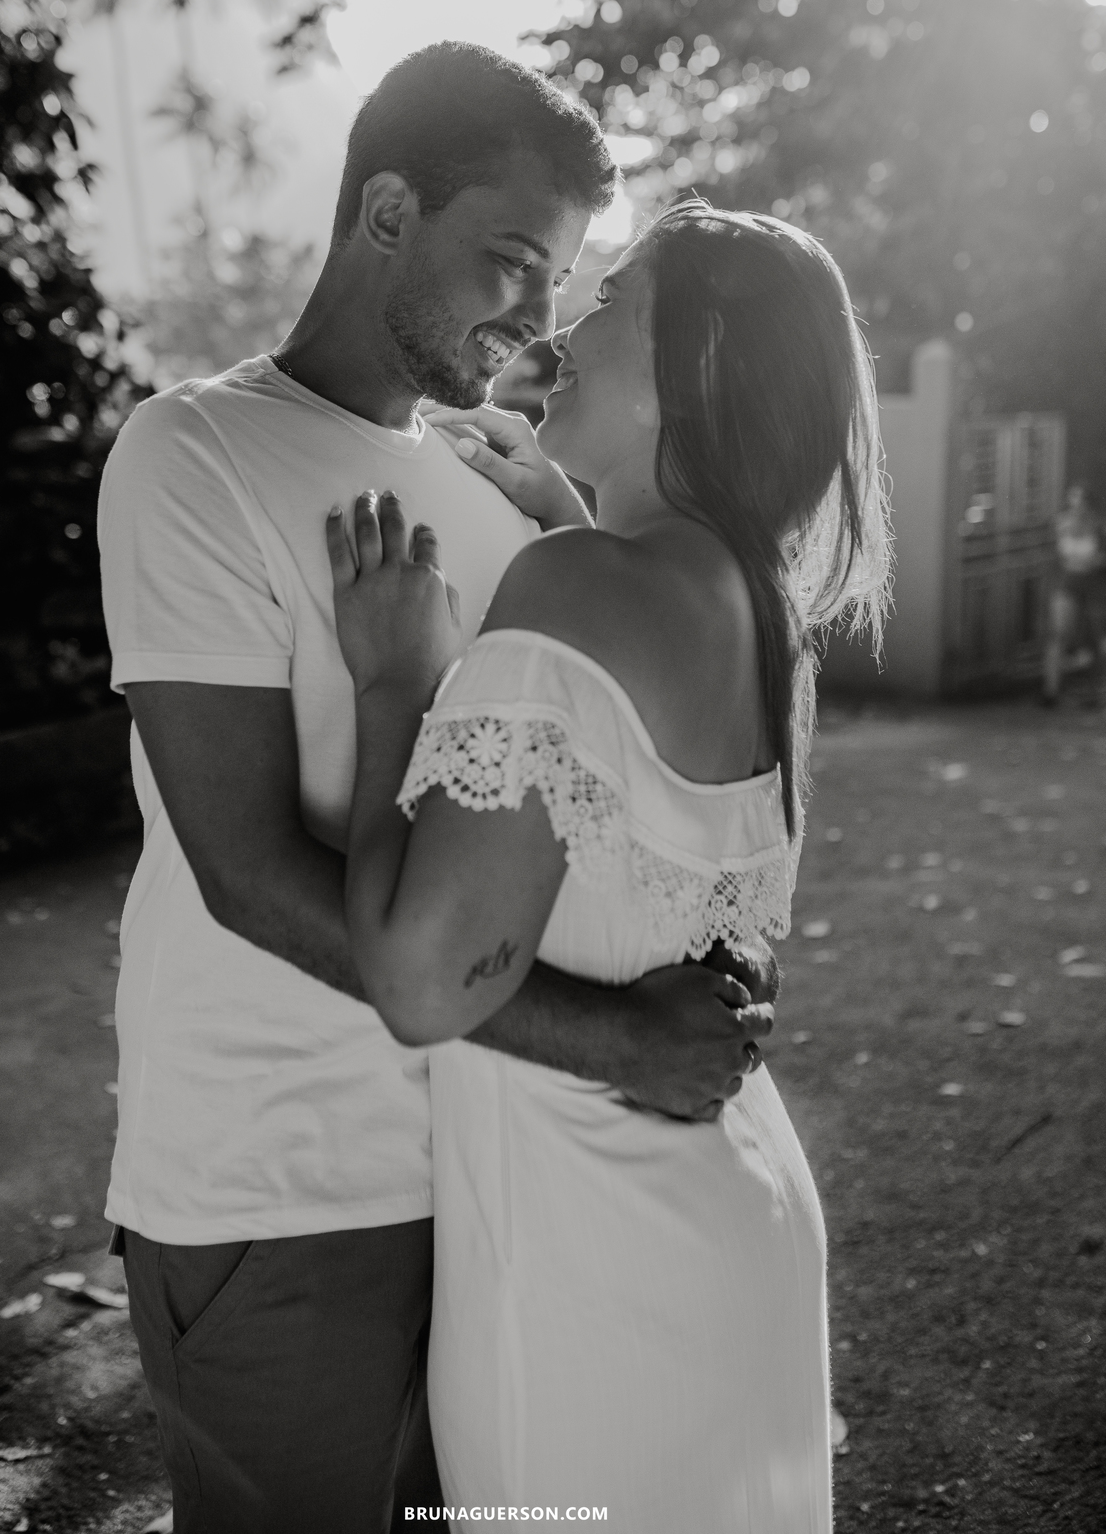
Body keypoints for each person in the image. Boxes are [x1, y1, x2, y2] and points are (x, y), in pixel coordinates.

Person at [97, 46, 778, 1533]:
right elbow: (248, 871)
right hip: (289, 1189)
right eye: (515, 260)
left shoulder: (504, 490)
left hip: (511, 1183)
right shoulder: (195, 452)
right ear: (389, 211)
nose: (539, 316)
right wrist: (619, 1038)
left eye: (565, 279)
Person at [326, 203, 891, 1530]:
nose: (566, 325)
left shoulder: (580, 586)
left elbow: (419, 983)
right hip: (729, 1220)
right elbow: (641, 846)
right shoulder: (763, 605)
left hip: (592, 1276)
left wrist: (396, 684)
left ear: (700, 361)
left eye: (614, 296)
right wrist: (573, 506)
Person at [1041, 484, 1104, 707]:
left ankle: (1094, 693)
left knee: (1094, 639)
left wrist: (1098, 561)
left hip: (1093, 585)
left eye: (1082, 499)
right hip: (1067, 583)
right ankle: (1051, 691)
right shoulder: (1060, 523)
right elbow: (1051, 556)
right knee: (1058, 634)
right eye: (1074, 498)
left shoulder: (1098, 525)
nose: (1078, 503)